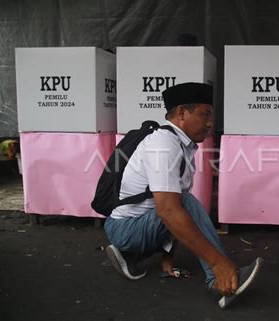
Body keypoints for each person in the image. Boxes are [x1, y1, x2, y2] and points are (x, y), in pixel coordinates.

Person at [104, 82, 262, 308]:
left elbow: (169, 207)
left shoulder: (180, 144)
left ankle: (130, 255)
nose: (210, 123)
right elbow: (168, 210)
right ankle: (217, 281)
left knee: (181, 203)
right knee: (182, 204)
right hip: (125, 228)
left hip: (141, 226)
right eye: (204, 115)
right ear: (181, 113)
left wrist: (168, 256)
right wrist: (218, 263)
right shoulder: (164, 143)